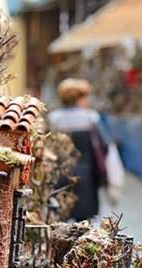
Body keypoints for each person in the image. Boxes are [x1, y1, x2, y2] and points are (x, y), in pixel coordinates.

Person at [48, 78, 107, 222]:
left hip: (61, 175)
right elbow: (103, 146)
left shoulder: (54, 119)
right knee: (85, 223)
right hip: (86, 177)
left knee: (60, 219)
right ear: (79, 98)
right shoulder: (90, 118)